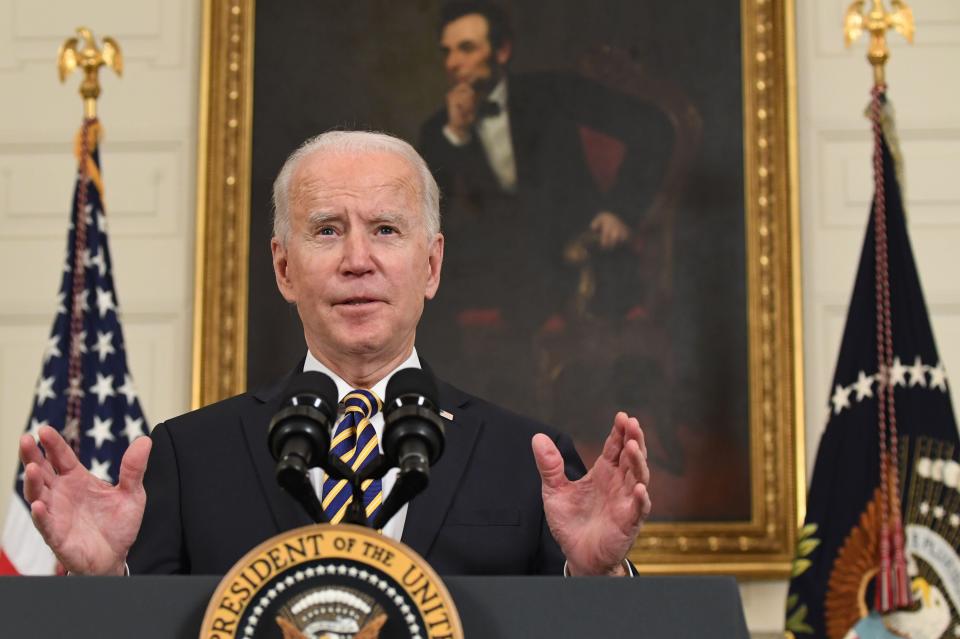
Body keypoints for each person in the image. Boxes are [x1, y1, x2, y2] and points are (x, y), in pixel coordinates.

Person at [18, 130, 651, 577]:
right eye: (327, 230)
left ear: (430, 266)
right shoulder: (189, 455)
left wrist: (597, 579)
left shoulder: (527, 458)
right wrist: (105, 585)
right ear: (284, 267)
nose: (357, 261)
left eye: (385, 230)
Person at [417, 1, 673, 408]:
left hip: (577, 253)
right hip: (497, 264)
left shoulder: (555, 93)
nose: (454, 63)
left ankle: (527, 424)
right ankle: (448, 422)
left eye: (467, 48)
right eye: (447, 52)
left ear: (501, 52)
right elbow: (431, 216)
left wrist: (621, 210)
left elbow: (654, 129)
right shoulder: (440, 129)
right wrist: (457, 136)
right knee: (416, 289)